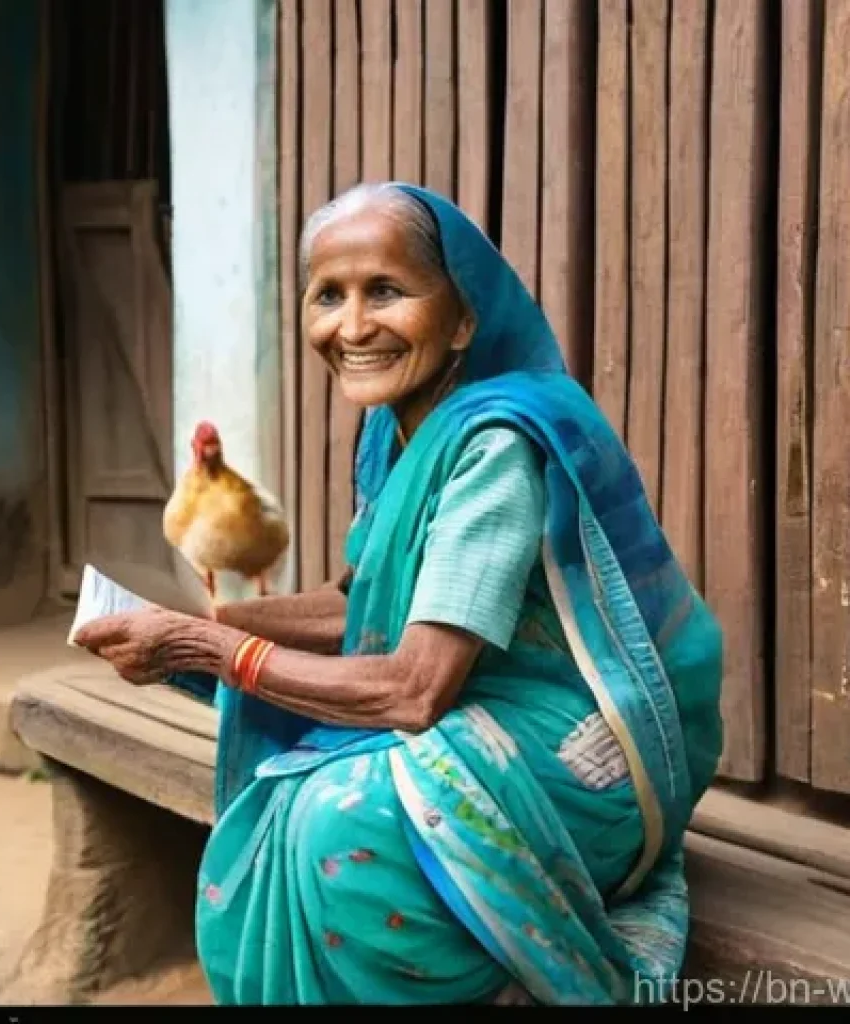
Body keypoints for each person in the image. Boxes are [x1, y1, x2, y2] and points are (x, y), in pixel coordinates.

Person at [72, 182, 725, 1006]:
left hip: (589, 745)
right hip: (482, 701)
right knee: (302, 798)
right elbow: (360, 605)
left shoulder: (493, 445)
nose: (351, 327)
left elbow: (415, 687)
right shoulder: (397, 426)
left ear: (462, 318)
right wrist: (208, 622)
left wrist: (210, 649)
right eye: (327, 297)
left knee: (331, 820)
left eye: (386, 291)